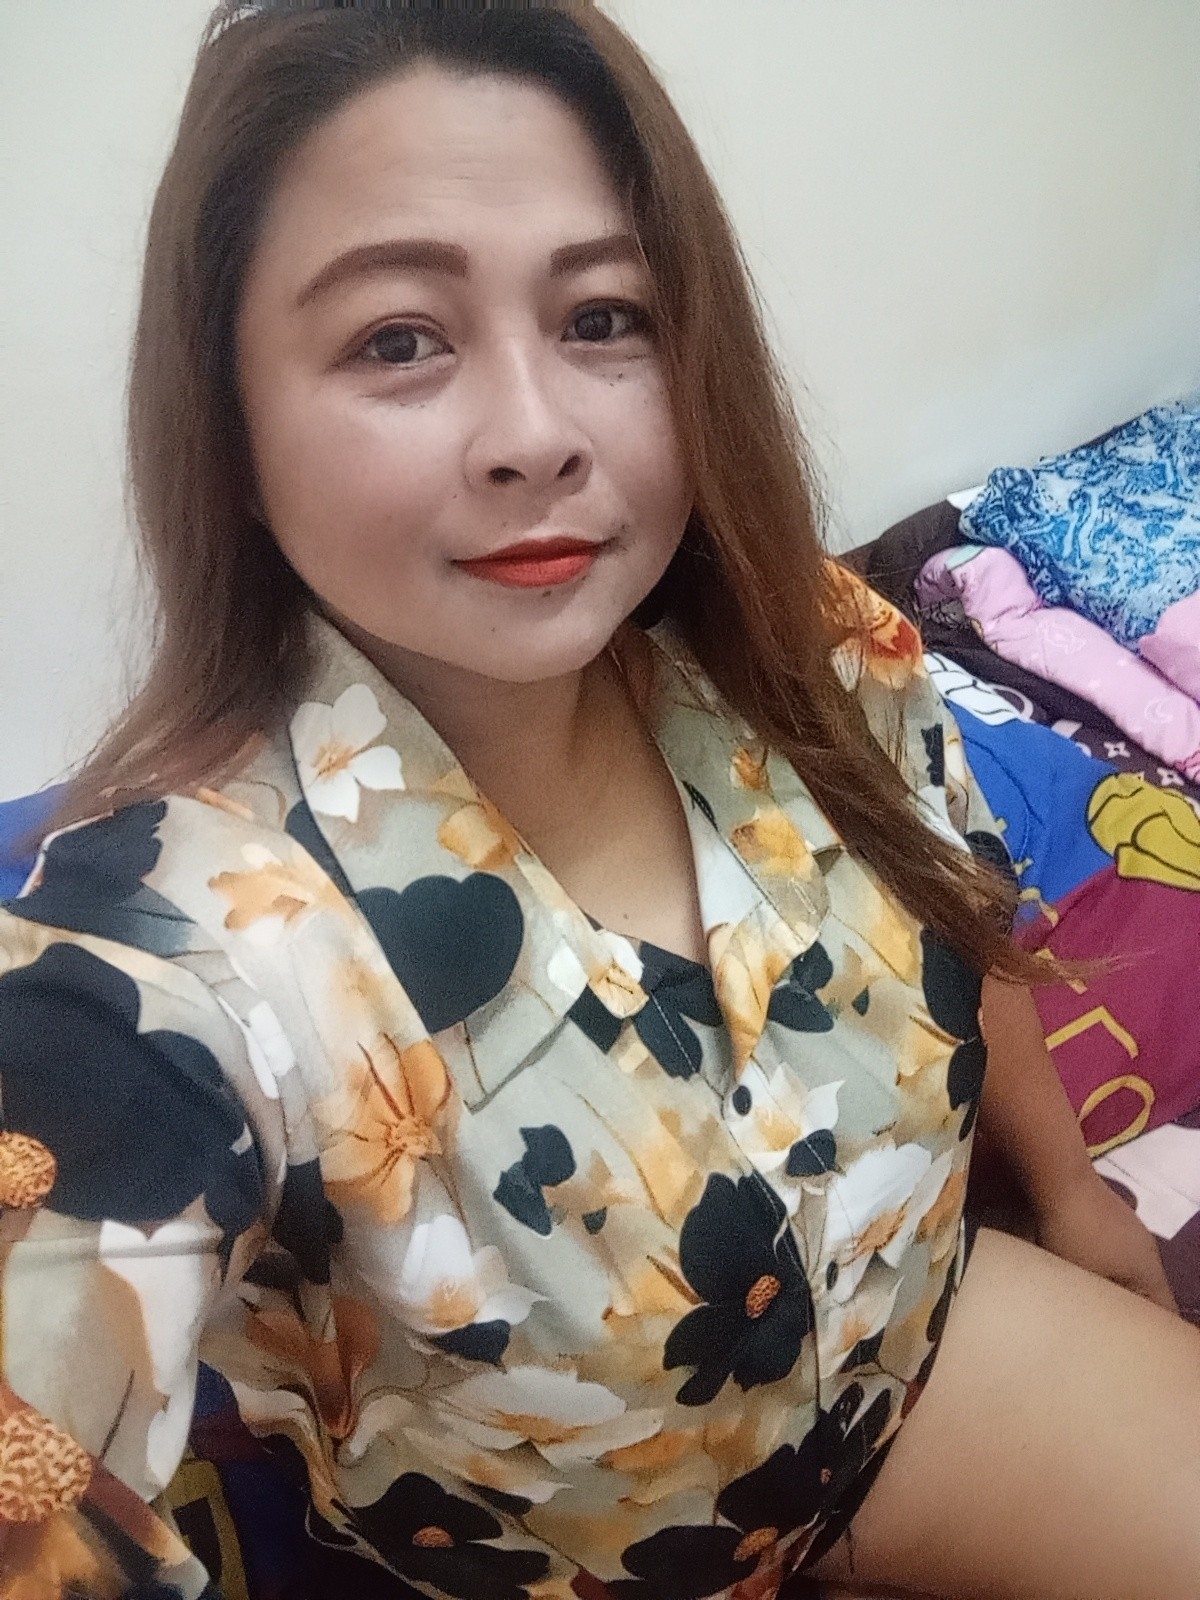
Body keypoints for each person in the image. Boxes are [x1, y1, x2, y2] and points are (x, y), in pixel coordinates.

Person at [0, 4, 1197, 1597]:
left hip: (915, 1376)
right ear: (229, 424)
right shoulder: (163, 949)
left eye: (605, 318)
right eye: (399, 340)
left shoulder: (818, 651)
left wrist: (1072, 1203)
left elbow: (958, 891)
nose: (537, 436)